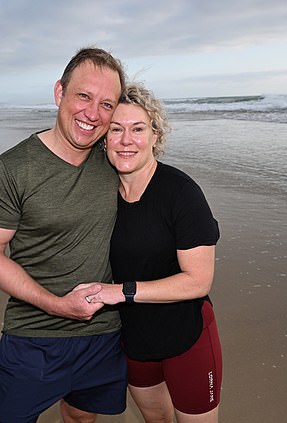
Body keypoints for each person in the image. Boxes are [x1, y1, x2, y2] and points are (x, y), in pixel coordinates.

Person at [0, 47, 127, 423]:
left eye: (107, 104)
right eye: (83, 96)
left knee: (80, 417)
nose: (93, 114)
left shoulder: (116, 161)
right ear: (60, 93)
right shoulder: (12, 169)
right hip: (34, 338)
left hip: (104, 336)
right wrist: (58, 305)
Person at [82, 83, 223, 423]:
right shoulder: (99, 195)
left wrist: (121, 292)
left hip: (187, 338)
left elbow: (198, 281)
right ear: (104, 139)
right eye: (116, 129)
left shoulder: (181, 194)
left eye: (138, 129)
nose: (126, 140)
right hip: (135, 344)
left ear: (155, 136)